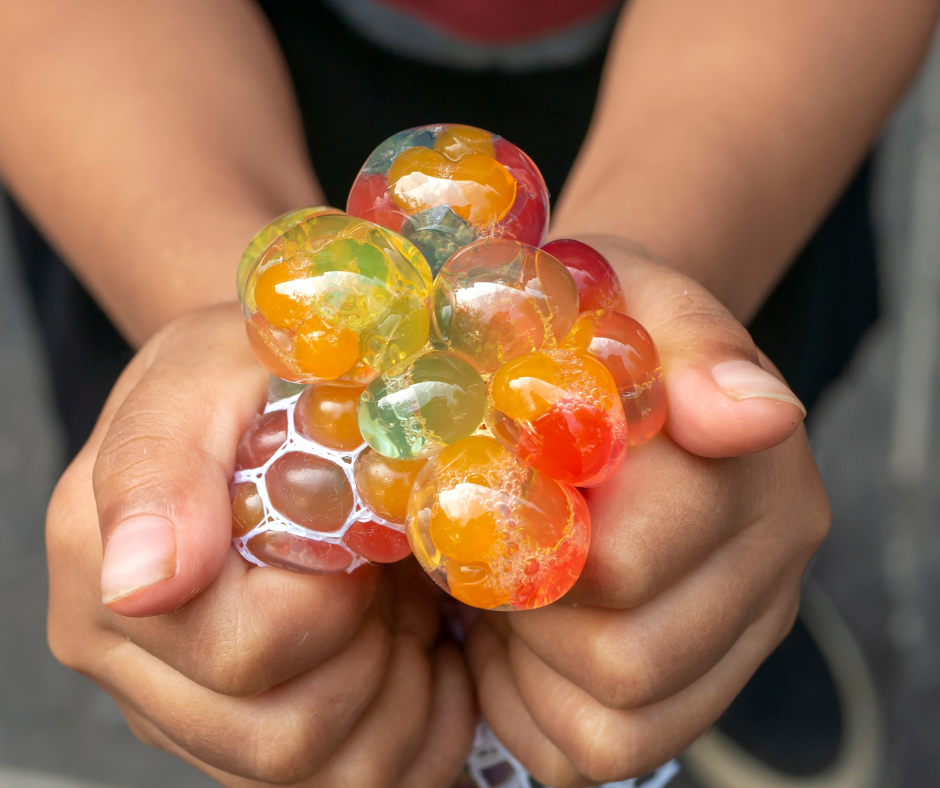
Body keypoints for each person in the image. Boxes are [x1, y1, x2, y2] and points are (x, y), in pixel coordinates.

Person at [0, 0, 935, 785]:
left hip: (751, 98)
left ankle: (717, 616)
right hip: (162, 115)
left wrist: (666, 275)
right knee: (284, 590)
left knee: (688, 501)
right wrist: (203, 304)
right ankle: (694, 617)